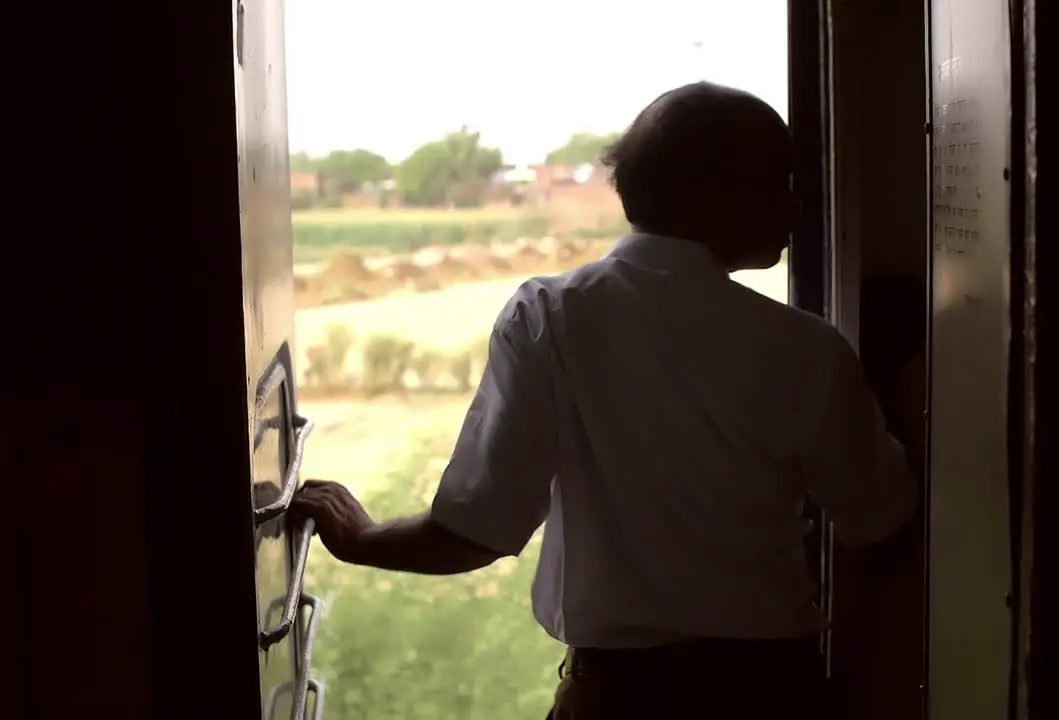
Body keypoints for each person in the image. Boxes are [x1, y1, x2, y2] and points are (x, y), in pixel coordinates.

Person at [288, 82, 918, 719]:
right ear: (717, 197)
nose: (794, 209)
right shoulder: (805, 348)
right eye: (778, 183)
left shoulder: (550, 316)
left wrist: (365, 538)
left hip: (618, 698)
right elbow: (880, 515)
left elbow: (477, 530)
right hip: (775, 695)